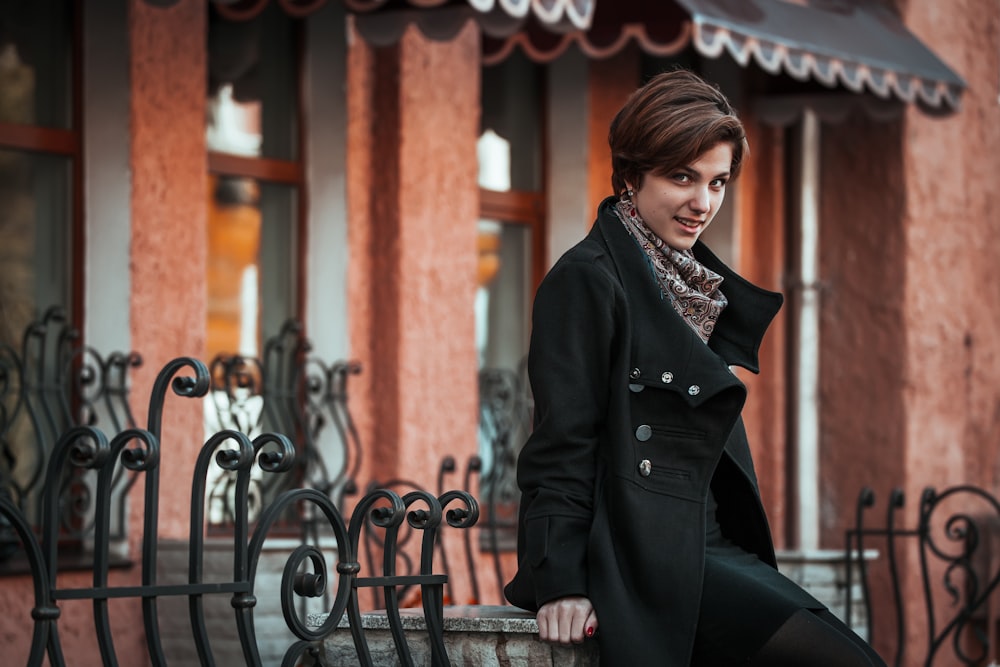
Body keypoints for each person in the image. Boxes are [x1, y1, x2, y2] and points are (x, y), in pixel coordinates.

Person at [503, 69, 886, 667]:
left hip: (710, 544)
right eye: (682, 177)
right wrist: (561, 580)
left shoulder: (692, 285)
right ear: (631, 176)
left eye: (717, 181)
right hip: (641, 554)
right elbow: (561, 440)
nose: (702, 203)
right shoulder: (587, 279)